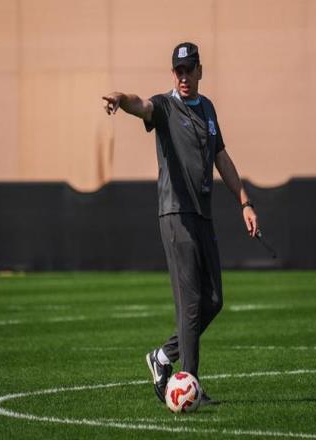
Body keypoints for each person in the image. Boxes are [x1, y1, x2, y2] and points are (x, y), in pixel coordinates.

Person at [102, 42, 258, 404]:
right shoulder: (165, 106)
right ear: (173, 73)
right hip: (176, 215)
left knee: (214, 300)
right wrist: (120, 98)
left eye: (189, 69)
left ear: (200, 70)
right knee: (190, 303)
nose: (184, 76)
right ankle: (190, 384)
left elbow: (222, 158)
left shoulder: (208, 109)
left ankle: (162, 356)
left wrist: (245, 202)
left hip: (203, 215)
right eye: (179, 71)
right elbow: (141, 104)